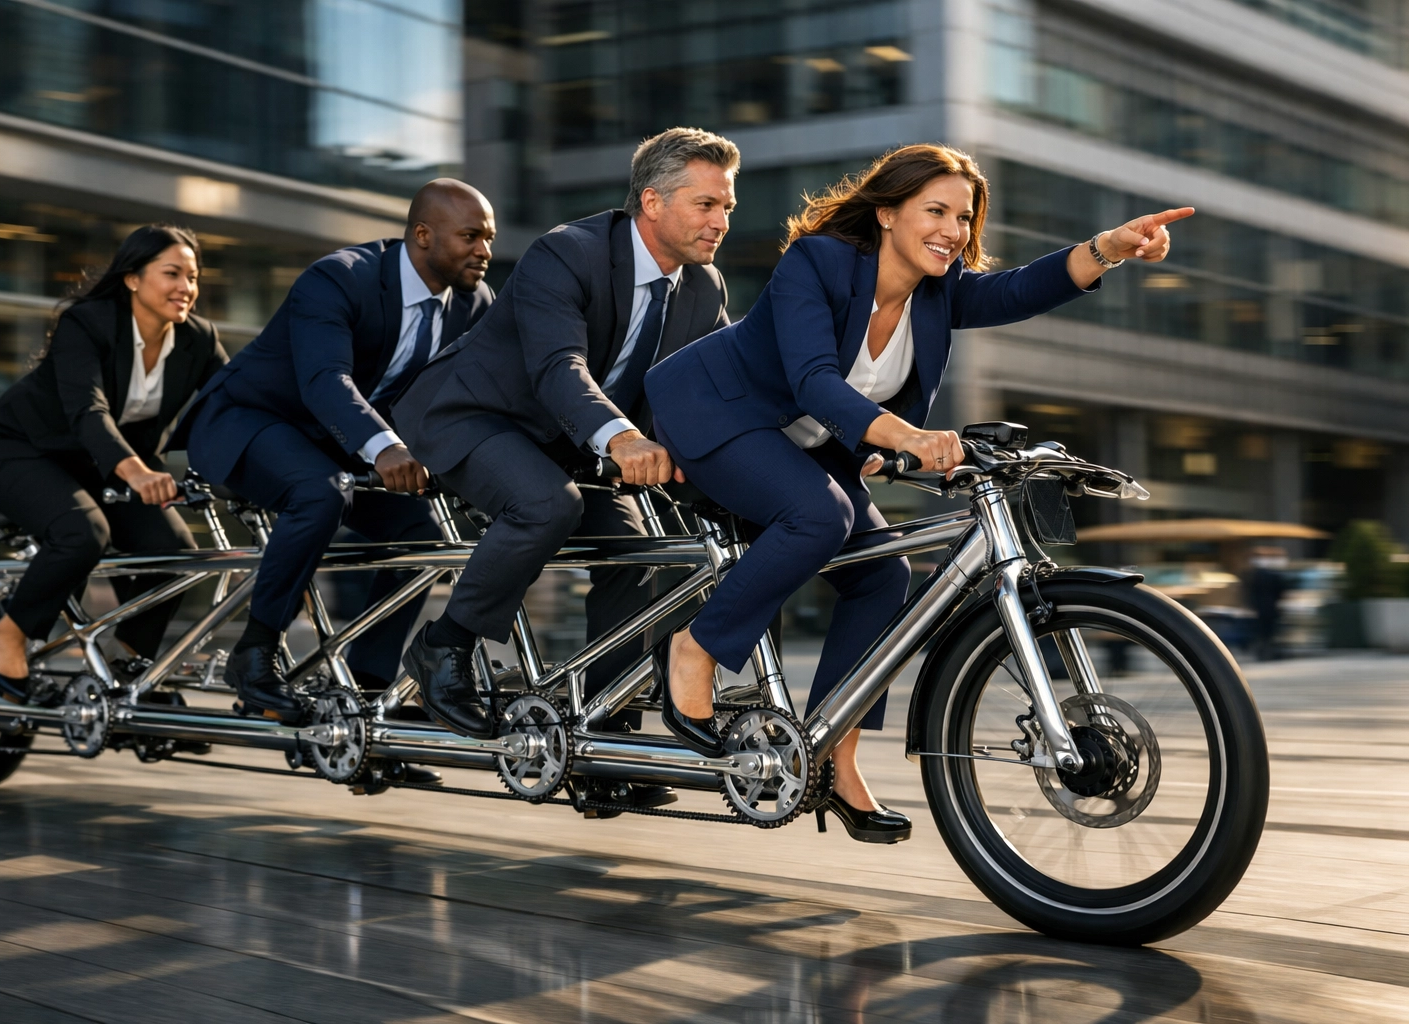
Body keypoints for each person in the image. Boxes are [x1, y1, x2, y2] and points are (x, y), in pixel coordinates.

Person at [646, 143, 1193, 842]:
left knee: (884, 573)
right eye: (935, 211)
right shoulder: (818, 263)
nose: (953, 230)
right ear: (886, 214)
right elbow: (814, 378)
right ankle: (695, 649)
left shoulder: (937, 293)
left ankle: (833, 761)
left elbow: (1018, 289)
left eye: (963, 217)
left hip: (806, 441)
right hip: (717, 411)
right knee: (819, 514)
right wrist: (900, 434)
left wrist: (1108, 248)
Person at [391, 128, 738, 812]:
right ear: (652, 202)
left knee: (648, 557)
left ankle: (606, 737)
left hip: (574, 443)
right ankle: (443, 648)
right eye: (705, 205)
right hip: (477, 418)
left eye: (726, 206)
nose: (721, 222)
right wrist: (623, 439)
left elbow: (723, 385)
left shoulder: (702, 286)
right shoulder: (568, 252)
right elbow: (559, 368)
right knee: (549, 505)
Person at [171, 179, 496, 724]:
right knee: (320, 494)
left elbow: (475, 393)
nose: (485, 251)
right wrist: (387, 448)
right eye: (471, 236)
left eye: (489, 238)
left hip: (337, 443)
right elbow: (326, 380)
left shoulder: (474, 302)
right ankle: (254, 654)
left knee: (424, 534)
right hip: (253, 420)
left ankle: (368, 690)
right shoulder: (341, 277)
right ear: (422, 234)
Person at [0, 225, 227, 702]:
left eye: (192, 277)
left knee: (174, 554)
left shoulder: (199, 340)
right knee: (82, 533)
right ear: (132, 278)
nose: (186, 288)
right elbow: (88, 412)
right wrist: (138, 473)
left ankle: (128, 667)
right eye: (171, 273)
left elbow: (236, 405)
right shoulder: (87, 322)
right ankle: (9, 633)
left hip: (104, 464)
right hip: (22, 448)